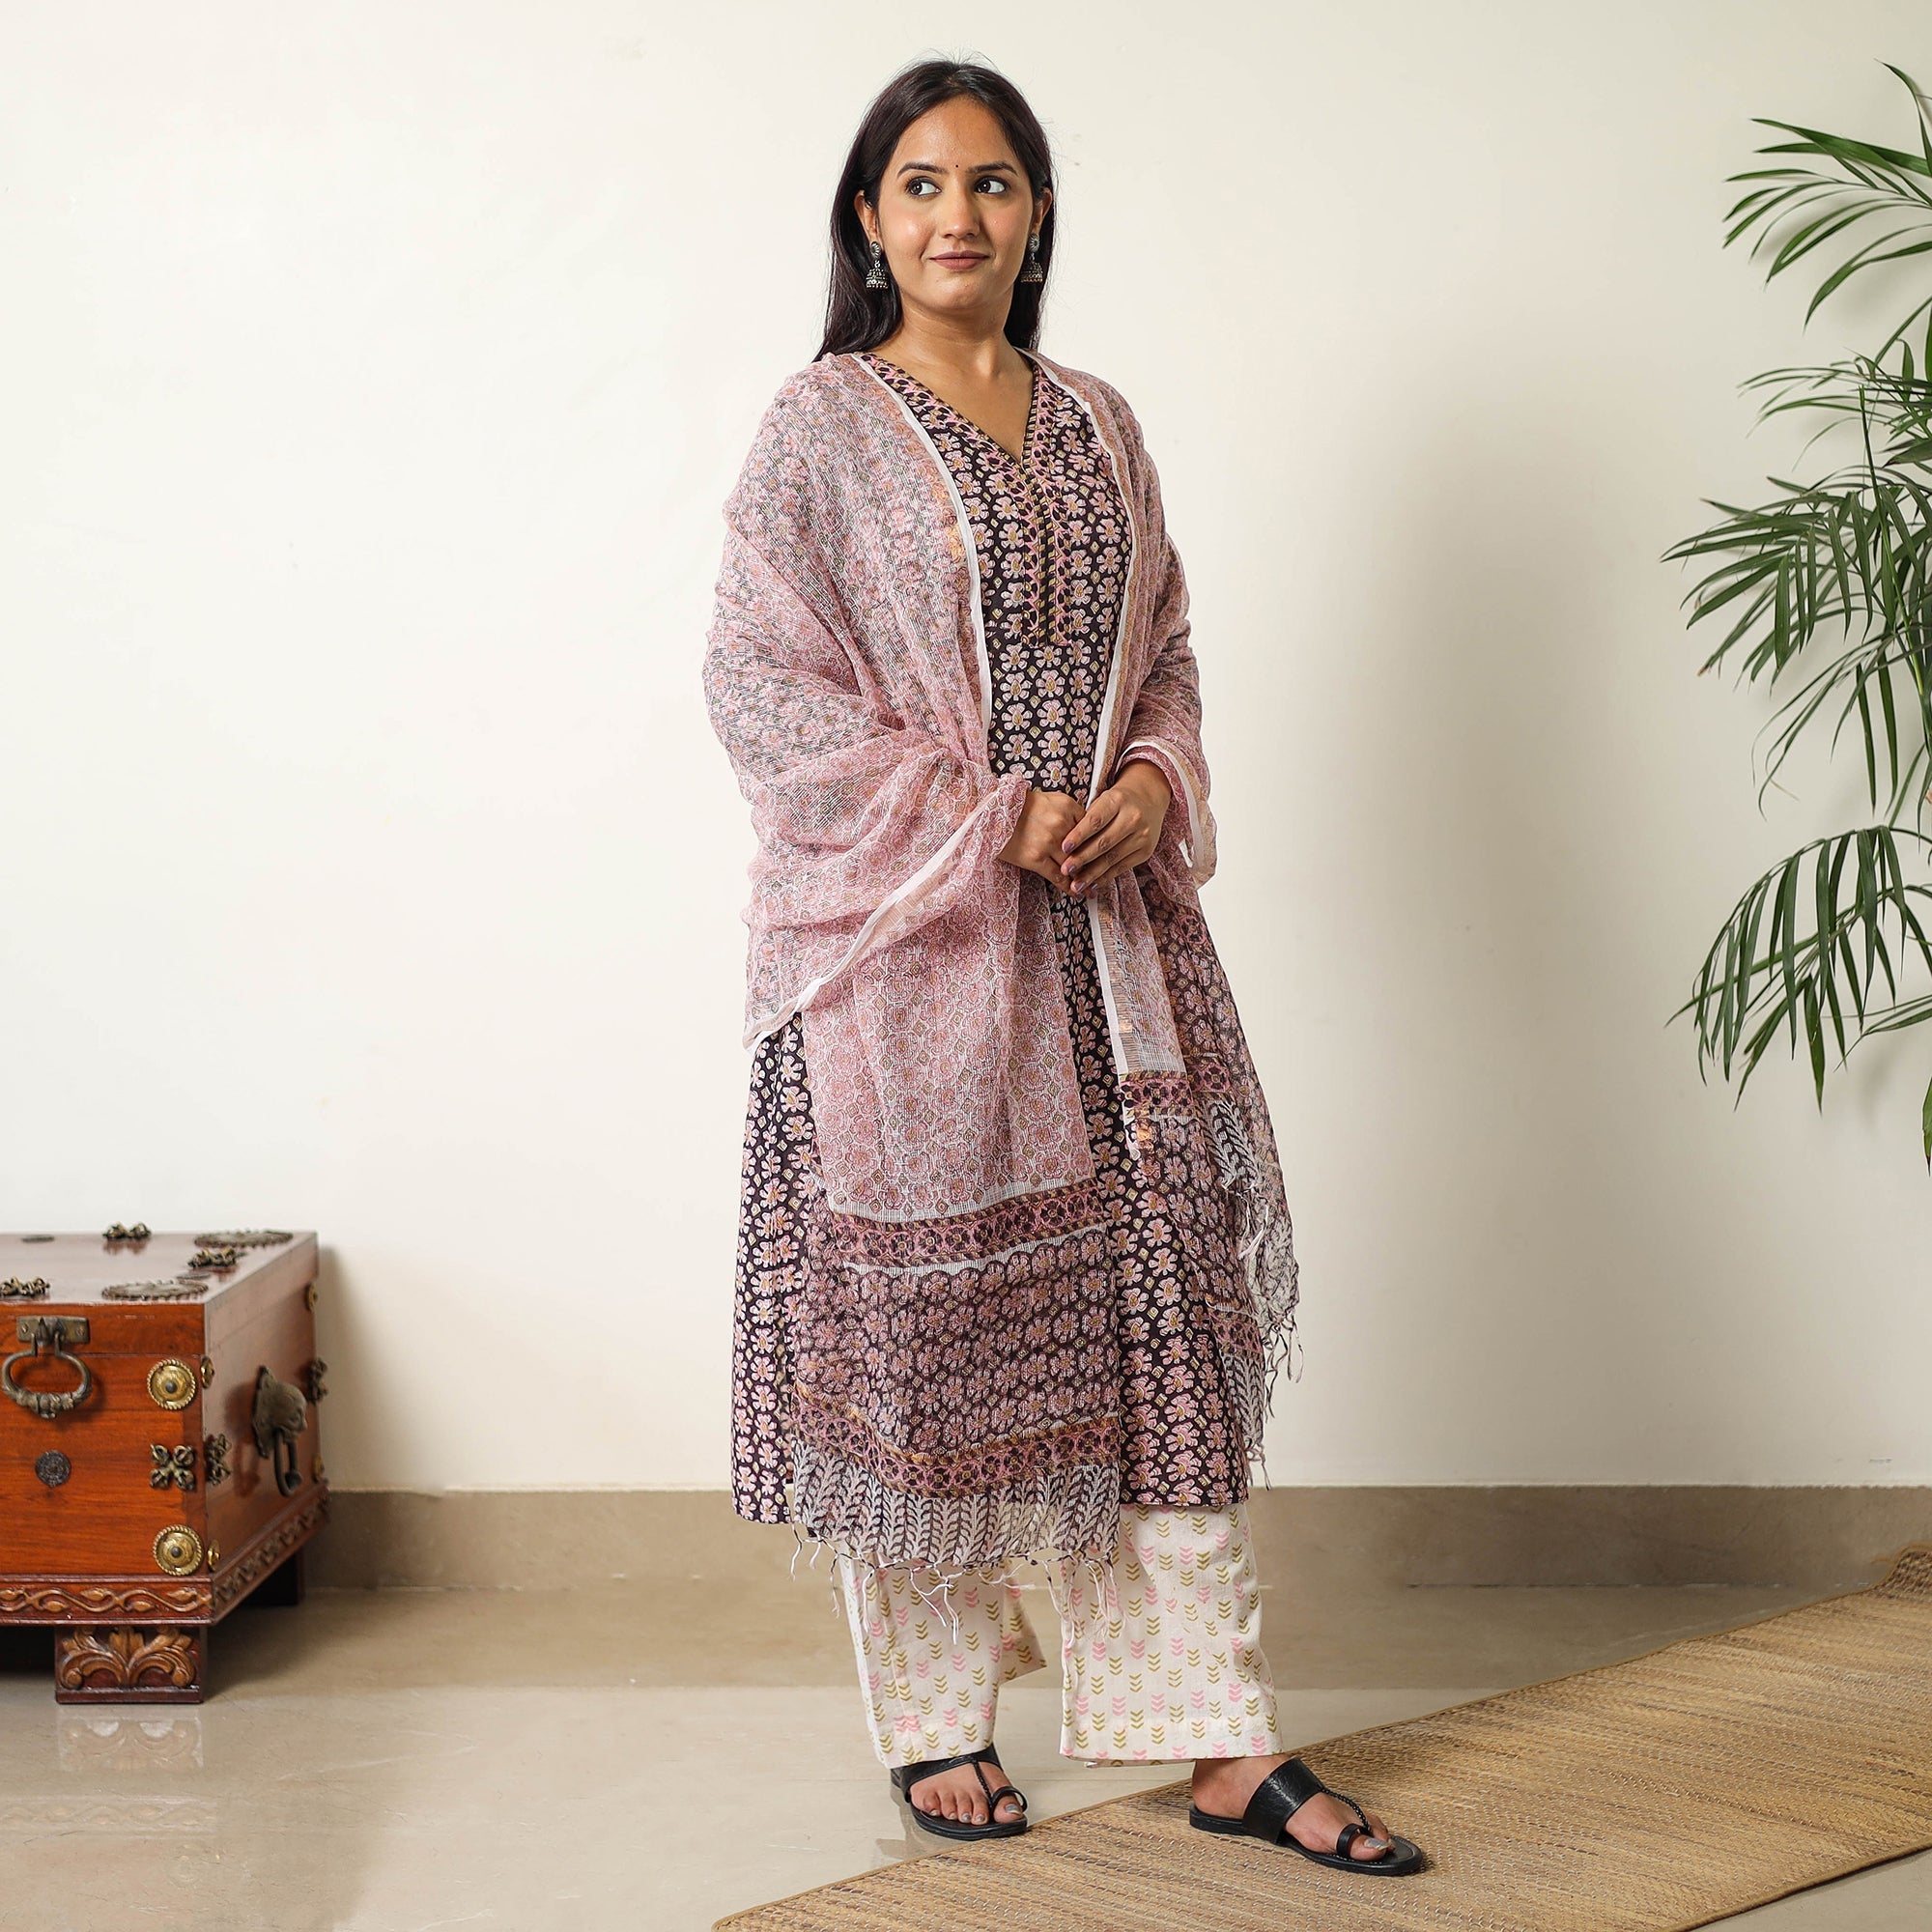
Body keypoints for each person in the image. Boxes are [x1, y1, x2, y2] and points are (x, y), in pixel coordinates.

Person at [703, 57, 1422, 1877]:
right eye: (922, 183)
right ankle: (936, 1723)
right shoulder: (819, 428)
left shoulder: (1099, 421)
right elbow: (763, 687)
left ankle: (1222, 1743)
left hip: (1116, 962)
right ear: (869, 219)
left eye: (995, 182)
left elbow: (1163, 645)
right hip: (906, 964)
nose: (959, 214)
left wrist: (1153, 781)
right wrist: (987, 813)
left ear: (1036, 215)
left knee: (1159, 1329)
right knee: (935, 1347)